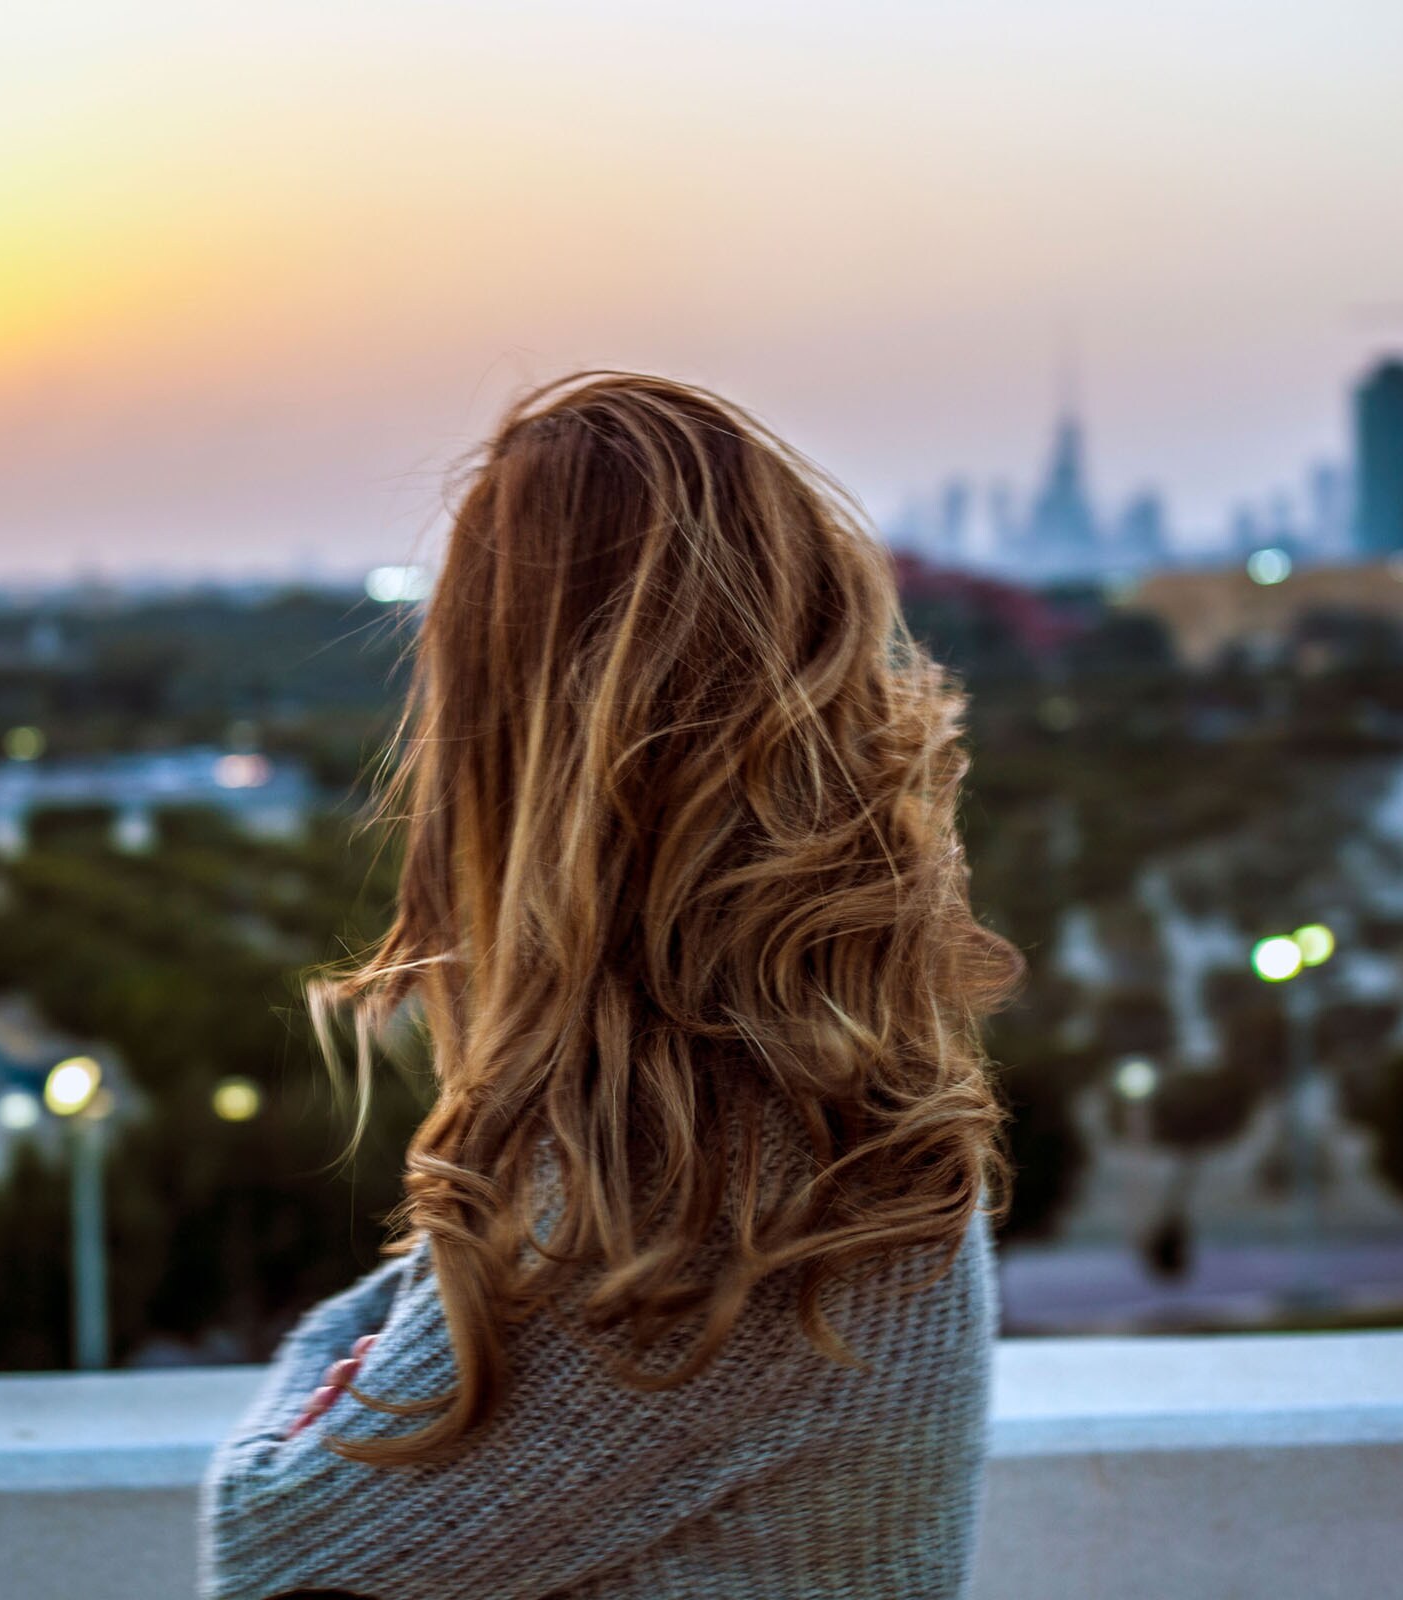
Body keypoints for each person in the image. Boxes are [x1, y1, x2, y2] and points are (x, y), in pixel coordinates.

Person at [201, 372, 1021, 1600]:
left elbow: (273, 1543)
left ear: (517, 723)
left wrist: (322, 1375)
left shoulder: (703, 1195)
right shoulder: (816, 1117)